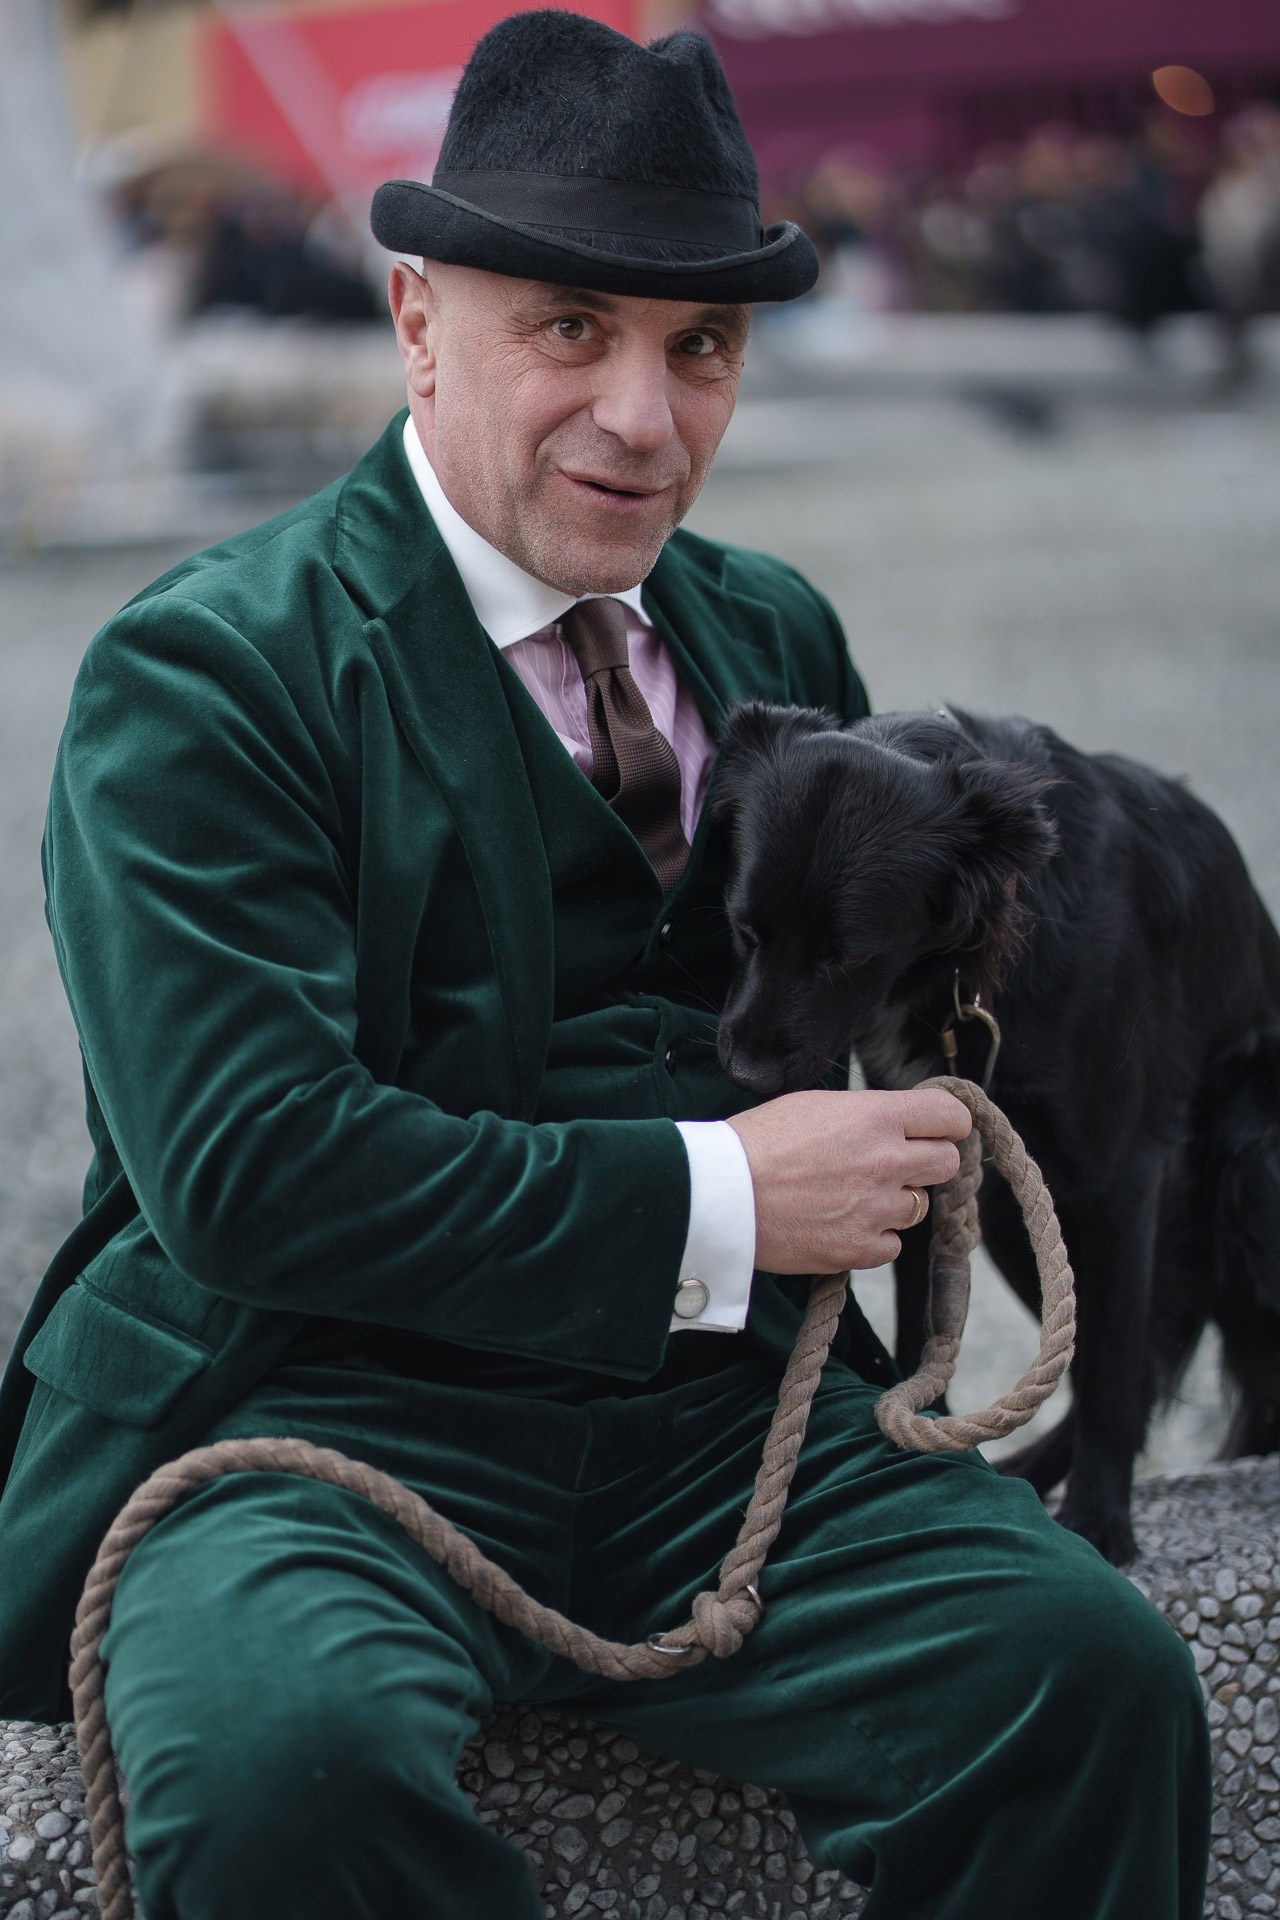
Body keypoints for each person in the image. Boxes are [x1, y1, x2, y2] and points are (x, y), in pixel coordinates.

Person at [0, 12, 1210, 1918]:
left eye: (700, 347)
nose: (645, 416)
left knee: (1097, 1687)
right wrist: (728, 1188)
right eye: (570, 326)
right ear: (417, 319)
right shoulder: (206, 674)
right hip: (306, 1427)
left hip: (723, 1431)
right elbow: (246, 1173)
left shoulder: (774, 625)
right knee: (280, 1772)